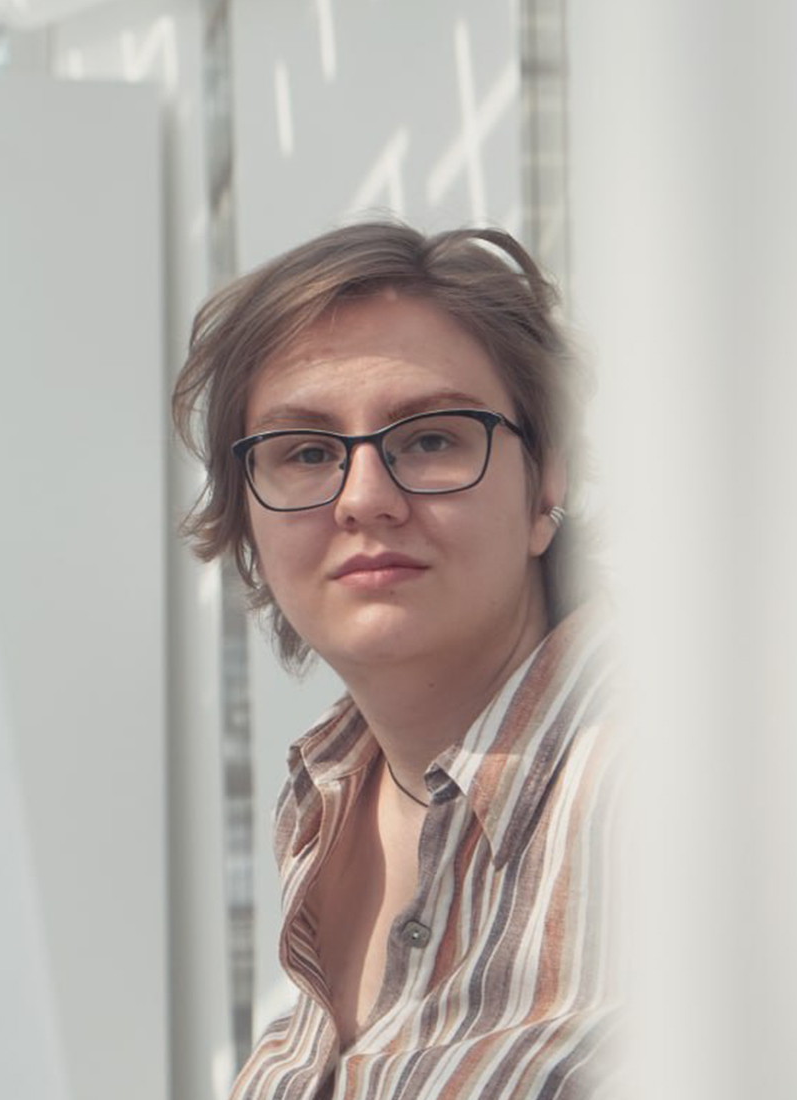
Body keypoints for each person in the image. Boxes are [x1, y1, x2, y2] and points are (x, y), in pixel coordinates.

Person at [173, 222, 621, 1099]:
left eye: (430, 439)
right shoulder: (324, 801)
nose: (365, 499)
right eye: (307, 453)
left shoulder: (689, 786)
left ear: (546, 484)